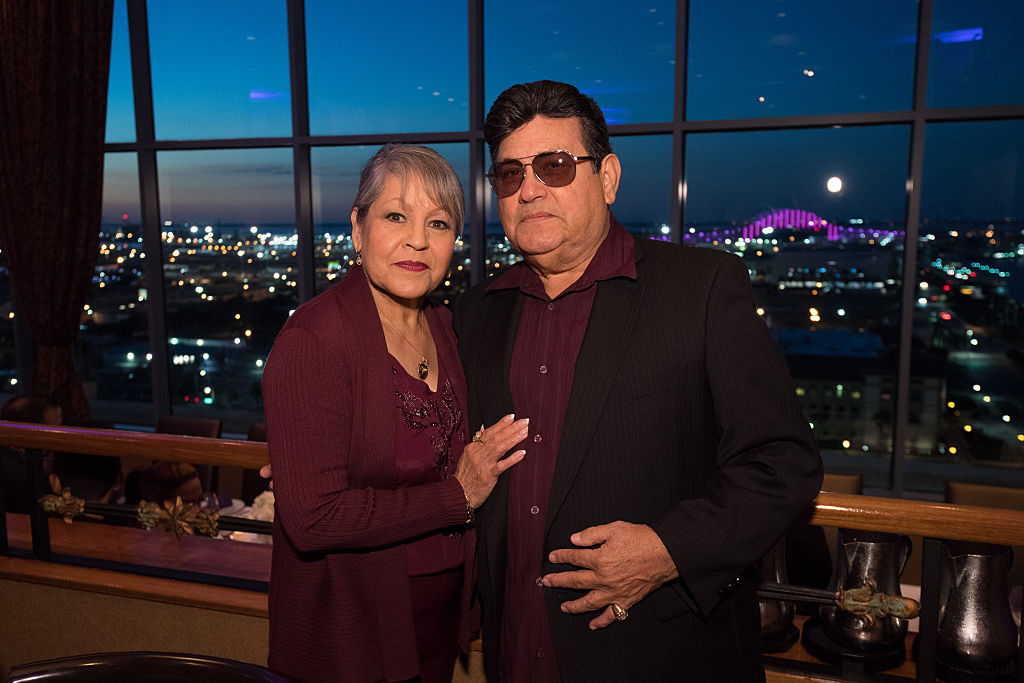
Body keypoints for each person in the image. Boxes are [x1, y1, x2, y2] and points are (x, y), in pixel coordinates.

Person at [452, 80, 824, 681]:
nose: (531, 189)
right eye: (510, 174)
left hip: (662, 654)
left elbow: (783, 461)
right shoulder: (475, 314)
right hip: (514, 651)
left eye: (555, 165)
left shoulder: (700, 288)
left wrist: (668, 550)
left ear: (608, 177)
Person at [260, 144, 530, 683]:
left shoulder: (448, 329)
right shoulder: (314, 339)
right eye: (395, 216)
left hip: (438, 620)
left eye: (438, 223)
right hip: (352, 628)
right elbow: (312, 520)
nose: (417, 240)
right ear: (358, 228)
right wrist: (457, 497)